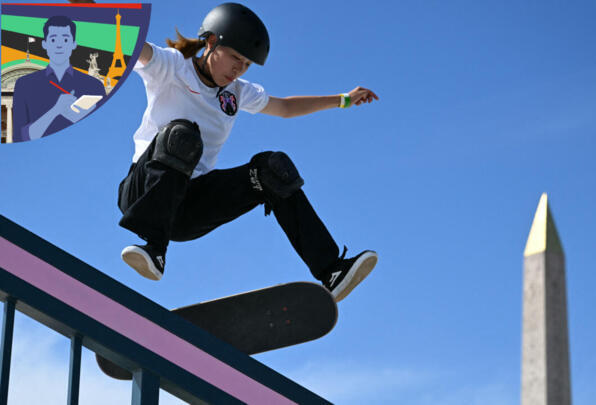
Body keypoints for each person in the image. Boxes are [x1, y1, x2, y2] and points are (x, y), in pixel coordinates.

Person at [117, 3, 379, 302]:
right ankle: (153, 248)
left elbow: (285, 108)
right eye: (235, 58)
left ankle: (332, 271)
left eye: (246, 65)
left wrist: (343, 100)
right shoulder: (173, 66)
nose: (238, 70)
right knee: (183, 134)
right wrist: (87, 14)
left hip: (188, 209)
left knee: (272, 168)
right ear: (212, 42)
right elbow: (130, 45)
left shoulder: (237, 92)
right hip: (143, 192)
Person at [12, 15, 105, 142]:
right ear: (45, 44)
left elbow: (103, 135)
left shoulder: (94, 86)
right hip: (38, 158)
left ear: (74, 44)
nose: (59, 46)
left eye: (65, 40)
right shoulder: (25, 84)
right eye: (53, 40)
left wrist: (83, 121)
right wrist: (55, 110)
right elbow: (20, 139)